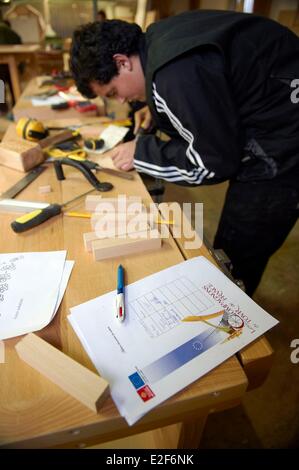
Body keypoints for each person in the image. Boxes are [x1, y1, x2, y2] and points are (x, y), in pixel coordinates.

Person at [70, 10, 299, 296]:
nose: (122, 100)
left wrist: (142, 152)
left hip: (285, 147)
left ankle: (230, 320)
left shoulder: (174, 75)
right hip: (278, 107)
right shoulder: (159, 39)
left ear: (122, 61)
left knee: (234, 255)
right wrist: (154, 108)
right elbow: (206, 90)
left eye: (114, 91)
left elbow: (213, 163)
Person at [0, 18, 22, 114]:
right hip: (11, 63)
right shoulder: (9, 31)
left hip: (1, 62)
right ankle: (16, 104)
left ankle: (2, 108)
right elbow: (19, 40)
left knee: (0, 85)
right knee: (13, 84)